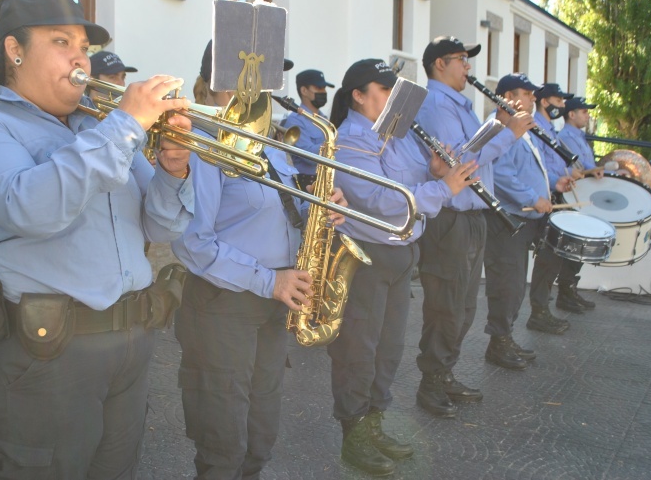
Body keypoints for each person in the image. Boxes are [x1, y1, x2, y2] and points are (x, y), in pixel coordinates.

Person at [0, 0, 194, 479]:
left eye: (84, 47)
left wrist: (174, 170)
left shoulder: (94, 129)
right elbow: (33, 208)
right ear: (14, 50)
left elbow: (161, 225)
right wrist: (125, 126)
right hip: (47, 354)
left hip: (130, 341)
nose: (80, 59)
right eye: (61, 42)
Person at [171, 43, 346, 480]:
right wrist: (271, 281)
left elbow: (277, 211)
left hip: (271, 302)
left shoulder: (270, 143)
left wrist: (319, 212)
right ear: (227, 82)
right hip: (223, 305)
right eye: (265, 78)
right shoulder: (200, 141)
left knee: (259, 431)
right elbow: (192, 242)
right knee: (223, 439)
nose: (275, 89)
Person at [327, 58, 478, 475]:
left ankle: (373, 427)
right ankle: (353, 435)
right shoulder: (350, 141)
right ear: (358, 95)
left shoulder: (398, 134)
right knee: (358, 352)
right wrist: (443, 187)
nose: (391, 97)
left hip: (400, 257)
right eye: (382, 89)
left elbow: (414, 180)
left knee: (388, 351)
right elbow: (386, 201)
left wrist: (434, 170)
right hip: (368, 260)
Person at [414, 36, 534, 418]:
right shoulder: (435, 104)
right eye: (461, 59)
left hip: (472, 216)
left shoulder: (459, 105)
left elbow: (475, 148)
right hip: (450, 220)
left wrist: (498, 125)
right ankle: (430, 382)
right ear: (438, 64)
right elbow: (462, 161)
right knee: (447, 305)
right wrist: (509, 133)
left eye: (467, 60)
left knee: (464, 306)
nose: (468, 67)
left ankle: (444, 372)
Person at [482, 73, 574, 370]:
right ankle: (498, 342)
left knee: (516, 282)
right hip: (506, 218)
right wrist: (533, 197)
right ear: (507, 96)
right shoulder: (499, 127)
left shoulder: (521, 127)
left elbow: (522, 168)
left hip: (523, 216)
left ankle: (505, 337)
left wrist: (552, 189)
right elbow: (501, 174)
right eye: (526, 92)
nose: (533, 98)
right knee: (506, 283)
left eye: (534, 94)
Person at [528, 83, 588, 323]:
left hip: (554, 195)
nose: (563, 106)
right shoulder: (535, 128)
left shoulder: (549, 129)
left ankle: (542, 309)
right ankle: (538, 312)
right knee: (547, 257)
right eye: (559, 101)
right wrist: (557, 181)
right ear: (545, 102)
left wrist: (566, 176)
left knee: (552, 258)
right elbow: (538, 168)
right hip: (543, 199)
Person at [554, 96, 602, 311]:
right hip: (574, 196)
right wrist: (592, 171)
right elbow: (578, 169)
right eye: (583, 111)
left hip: (583, 195)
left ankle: (570, 290)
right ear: (571, 114)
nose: (587, 115)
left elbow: (588, 167)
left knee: (580, 247)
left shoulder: (579, 136)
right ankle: (565, 293)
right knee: (575, 246)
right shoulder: (566, 136)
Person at [281, 69, 334, 188]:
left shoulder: (324, 118)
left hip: (325, 180)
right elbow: (308, 156)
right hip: (306, 183)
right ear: (304, 90)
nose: (324, 92)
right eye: (319, 88)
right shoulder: (295, 120)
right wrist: (332, 144)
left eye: (324, 88)